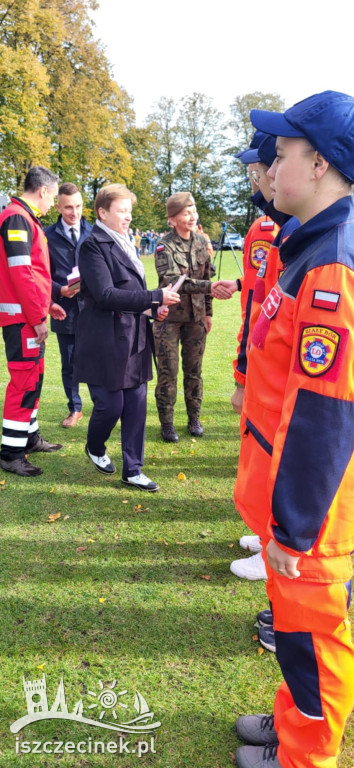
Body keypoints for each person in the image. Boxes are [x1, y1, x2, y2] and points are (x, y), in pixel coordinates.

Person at [233, 91, 354, 768]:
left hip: (311, 512)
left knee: (312, 642)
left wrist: (295, 529)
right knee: (295, 635)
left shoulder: (332, 262)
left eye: (280, 154)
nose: (269, 167)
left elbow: (326, 412)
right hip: (286, 496)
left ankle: (308, 756)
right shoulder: (307, 246)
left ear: (319, 163)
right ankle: (292, 727)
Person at [73, 183, 181, 492]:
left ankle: (133, 469)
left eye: (129, 211)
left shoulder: (125, 243)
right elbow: (106, 294)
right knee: (110, 405)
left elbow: (130, 294)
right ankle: (95, 446)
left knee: (135, 403)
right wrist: (154, 296)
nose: (128, 217)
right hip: (105, 339)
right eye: (122, 211)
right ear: (102, 212)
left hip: (134, 335)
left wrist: (152, 308)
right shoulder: (92, 245)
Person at [153, 191, 238, 442]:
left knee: (194, 371)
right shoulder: (163, 245)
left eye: (193, 211)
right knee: (168, 373)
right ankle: (167, 423)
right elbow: (172, 280)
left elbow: (207, 278)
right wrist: (208, 288)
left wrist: (208, 312)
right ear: (172, 218)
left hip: (197, 319)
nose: (192, 216)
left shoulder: (202, 242)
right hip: (169, 318)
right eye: (186, 212)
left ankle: (194, 418)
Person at [0, 166, 64, 477]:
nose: (52, 203)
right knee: (24, 381)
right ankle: (11, 453)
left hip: (28, 313)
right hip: (22, 318)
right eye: (53, 196)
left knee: (35, 376)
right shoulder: (16, 218)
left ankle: (29, 437)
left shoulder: (23, 218)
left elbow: (32, 276)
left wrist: (47, 303)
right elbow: (20, 274)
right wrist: (38, 315)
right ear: (42, 191)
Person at [46, 182, 92, 428]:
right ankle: (75, 408)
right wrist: (58, 290)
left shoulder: (94, 232)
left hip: (93, 309)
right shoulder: (46, 236)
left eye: (78, 206)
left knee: (99, 357)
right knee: (70, 362)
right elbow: (39, 273)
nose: (74, 212)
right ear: (58, 206)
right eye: (68, 208)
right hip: (64, 309)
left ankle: (103, 403)